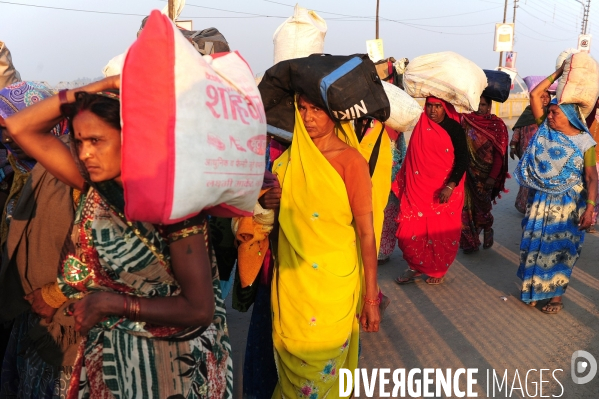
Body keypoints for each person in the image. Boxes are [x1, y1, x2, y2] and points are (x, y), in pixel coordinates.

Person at [2, 76, 233, 398]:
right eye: (79, 142)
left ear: (133, 138)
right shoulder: (97, 189)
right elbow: (19, 127)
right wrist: (104, 86)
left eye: (97, 141)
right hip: (111, 360)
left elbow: (198, 309)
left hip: (168, 366)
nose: (84, 154)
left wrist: (114, 302)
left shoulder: (175, 207)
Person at [265, 94, 381, 398]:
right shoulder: (288, 161)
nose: (308, 117)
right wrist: (268, 203)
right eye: (302, 108)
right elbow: (274, 222)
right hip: (294, 286)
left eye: (317, 109)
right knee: (294, 376)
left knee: (320, 378)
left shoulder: (350, 161)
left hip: (334, 287)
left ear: (335, 114)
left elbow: (367, 234)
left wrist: (371, 298)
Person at [0, 81, 75, 398]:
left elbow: (94, 248)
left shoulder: (76, 172)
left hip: (66, 319)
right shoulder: (17, 175)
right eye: (3, 129)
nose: (9, 138)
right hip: (25, 313)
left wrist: (57, 294)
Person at [514, 64, 598, 314]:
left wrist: (591, 208)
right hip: (540, 200)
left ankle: (556, 297)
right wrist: (560, 72)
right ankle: (534, 290)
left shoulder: (586, 143)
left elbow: (593, 178)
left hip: (568, 207)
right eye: (549, 112)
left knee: (560, 251)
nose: (549, 116)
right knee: (534, 246)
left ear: (571, 116)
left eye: (555, 113)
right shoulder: (545, 130)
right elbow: (534, 95)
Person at [393, 96, 468, 285]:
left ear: (445, 108)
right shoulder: (420, 127)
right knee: (407, 232)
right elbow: (412, 158)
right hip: (418, 190)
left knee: (439, 232)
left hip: (444, 191)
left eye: (438, 106)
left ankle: (437, 269)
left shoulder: (454, 128)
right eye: (429, 106)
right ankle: (415, 266)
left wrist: (450, 186)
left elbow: (463, 160)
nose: (433, 110)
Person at [460, 95, 509, 253]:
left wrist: (492, 177)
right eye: (477, 104)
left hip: (486, 176)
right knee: (465, 209)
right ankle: (469, 243)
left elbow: (499, 155)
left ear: (489, 106)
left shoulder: (497, 125)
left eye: (483, 104)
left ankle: (487, 227)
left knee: (482, 209)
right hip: (467, 174)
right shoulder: (465, 121)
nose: (479, 107)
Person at [510, 90, 551, 213]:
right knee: (526, 179)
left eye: (547, 97)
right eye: (541, 96)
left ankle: (538, 208)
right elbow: (517, 130)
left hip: (544, 154)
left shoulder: (551, 113)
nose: (544, 99)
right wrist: (513, 146)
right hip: (526, 152)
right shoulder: (528, 112)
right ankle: (524, 206)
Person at [378, 128, 406, 264]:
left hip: (392, 179)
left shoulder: (396, 128)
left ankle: (383, 252)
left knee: (389, 216)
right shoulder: (369, 125)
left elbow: (403, 153)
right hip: (374, 175)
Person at [585, 98, 599, 232]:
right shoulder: (588, 118)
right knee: (590, 189)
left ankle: (592, 218)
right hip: (590, 160)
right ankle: (589, 220)